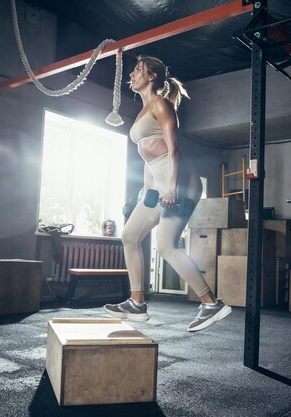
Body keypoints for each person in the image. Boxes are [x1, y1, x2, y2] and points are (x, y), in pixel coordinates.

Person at [103, 56, 232, 332]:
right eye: (134, 70)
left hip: (181, 184)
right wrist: (146, 187)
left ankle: (211, 303)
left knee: (166, 247)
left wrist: (172, 187)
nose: (133, 74)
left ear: (152, 76)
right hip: (159, 185)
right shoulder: (143, 109)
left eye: (138, 70)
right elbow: (150, 156)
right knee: (128, 236)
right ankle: (137, 302)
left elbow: (173, 150)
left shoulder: (161, 105)